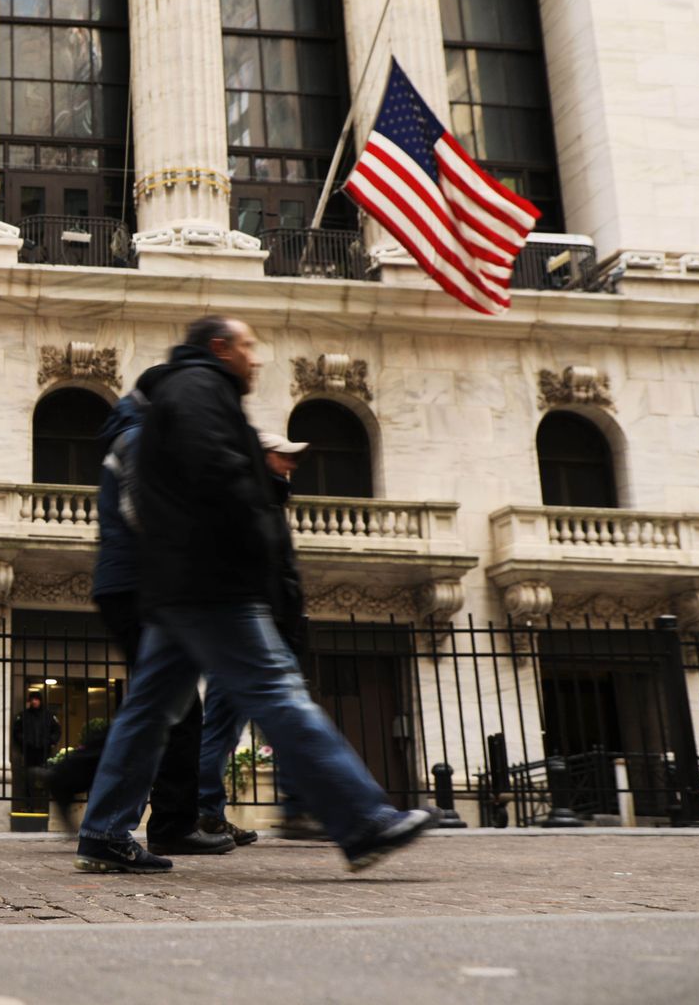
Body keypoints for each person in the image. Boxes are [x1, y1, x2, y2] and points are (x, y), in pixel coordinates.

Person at [73, 315, 434, 874]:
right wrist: (252, 543)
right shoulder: (199, 388)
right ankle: (363, 818)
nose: (256, 356)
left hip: (180, 580)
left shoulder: (183, 392)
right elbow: (215, 474)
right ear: (220, 347)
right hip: (211, 576)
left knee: (149, 711)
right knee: (276, 689)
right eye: (247, 345)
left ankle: (103, 832)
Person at [46, 385, 232, 861]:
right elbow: (145, 513)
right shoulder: (137, 438)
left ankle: (146, 815)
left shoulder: (135, 435)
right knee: (167, 707)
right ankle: (162, 823)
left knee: (166, 705)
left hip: (134, 585)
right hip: (139, 587)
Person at [196, 430, 311, 846]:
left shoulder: (267, 500)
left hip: (256, 629)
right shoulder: (252, 499)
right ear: (261, 458)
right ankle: (299, 807)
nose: (291, 464)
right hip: (256, 631)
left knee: (223, 729)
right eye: (283, 455)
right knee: (288, 719)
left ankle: (208, 811)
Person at [13, 689, 61, 770]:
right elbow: (16, 731)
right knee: (29, 772)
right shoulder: (23, 715)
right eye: (32, 699)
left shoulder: (48, 716)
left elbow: (57, 730)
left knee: (44, 771)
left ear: (40, 701)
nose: (34, 701)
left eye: (36, 699)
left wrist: (50, 741)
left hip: (45, 751)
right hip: (29, 751)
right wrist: (25, 741)